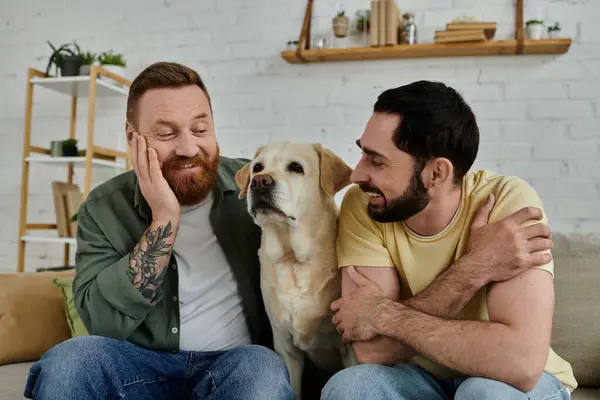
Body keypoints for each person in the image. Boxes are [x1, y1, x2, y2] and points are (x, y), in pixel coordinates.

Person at [23, 62, 294, 400]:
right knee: (68, 361)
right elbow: (103, 324)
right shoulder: (103, 207)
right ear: (132, 137)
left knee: (262, 369)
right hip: (139, 365)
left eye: (200, 129)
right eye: (166, 134)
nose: (188, 148)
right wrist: (164, 218)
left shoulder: (253, 186)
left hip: (235, 365)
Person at [323, 81, 577, 400]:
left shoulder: (507, 202)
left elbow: (521, 364)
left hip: (512, 385)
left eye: (376, 160)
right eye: (362, 153)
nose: (357, 175)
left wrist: (384, 314)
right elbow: (373, 352)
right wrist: (475, 268)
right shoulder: (366, 204)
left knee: (483, 393)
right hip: (419, 379)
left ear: (436, 174)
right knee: (351, 387)